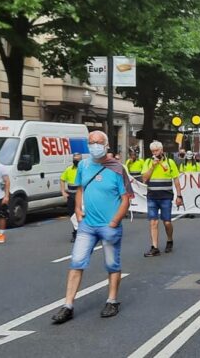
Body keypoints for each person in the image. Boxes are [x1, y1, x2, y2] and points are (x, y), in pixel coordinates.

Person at [51, 131, 133, 324]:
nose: (94, 145)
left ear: (106, 145)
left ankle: (112, 301)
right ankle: (68, 305)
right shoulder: (84, 165)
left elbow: (125, 199)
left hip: (109, 225)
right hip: (87, 225)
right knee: (76, 262)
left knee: (112, 264)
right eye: (91, 142)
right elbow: (80, 188)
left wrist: (114, 221)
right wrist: (78, 209)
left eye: (98, 142)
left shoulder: (118, 169)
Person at [141, 141, 183, 257]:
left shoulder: (170, 162)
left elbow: (176, 180)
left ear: (162, 150)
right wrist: (153, 166)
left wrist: (179, 196)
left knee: (167, 222)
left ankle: (169, 239)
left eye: (157, 150)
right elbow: (144, 179)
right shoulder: (148, 162)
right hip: (152, 197)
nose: (155, 153)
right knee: (153, 222)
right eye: (153, 151)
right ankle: (154, 247)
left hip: (166, 197)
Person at [61, 153, 83, 242]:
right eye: (75, 159)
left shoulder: (84, 169)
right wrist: (63, 192)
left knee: (81, 214)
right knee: (72, 215)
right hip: (71, 195)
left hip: (81, 195)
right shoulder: (69, 169)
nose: (76, 161)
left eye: (78, 159)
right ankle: (76, 231)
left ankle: (77, 233)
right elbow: (62, 179)